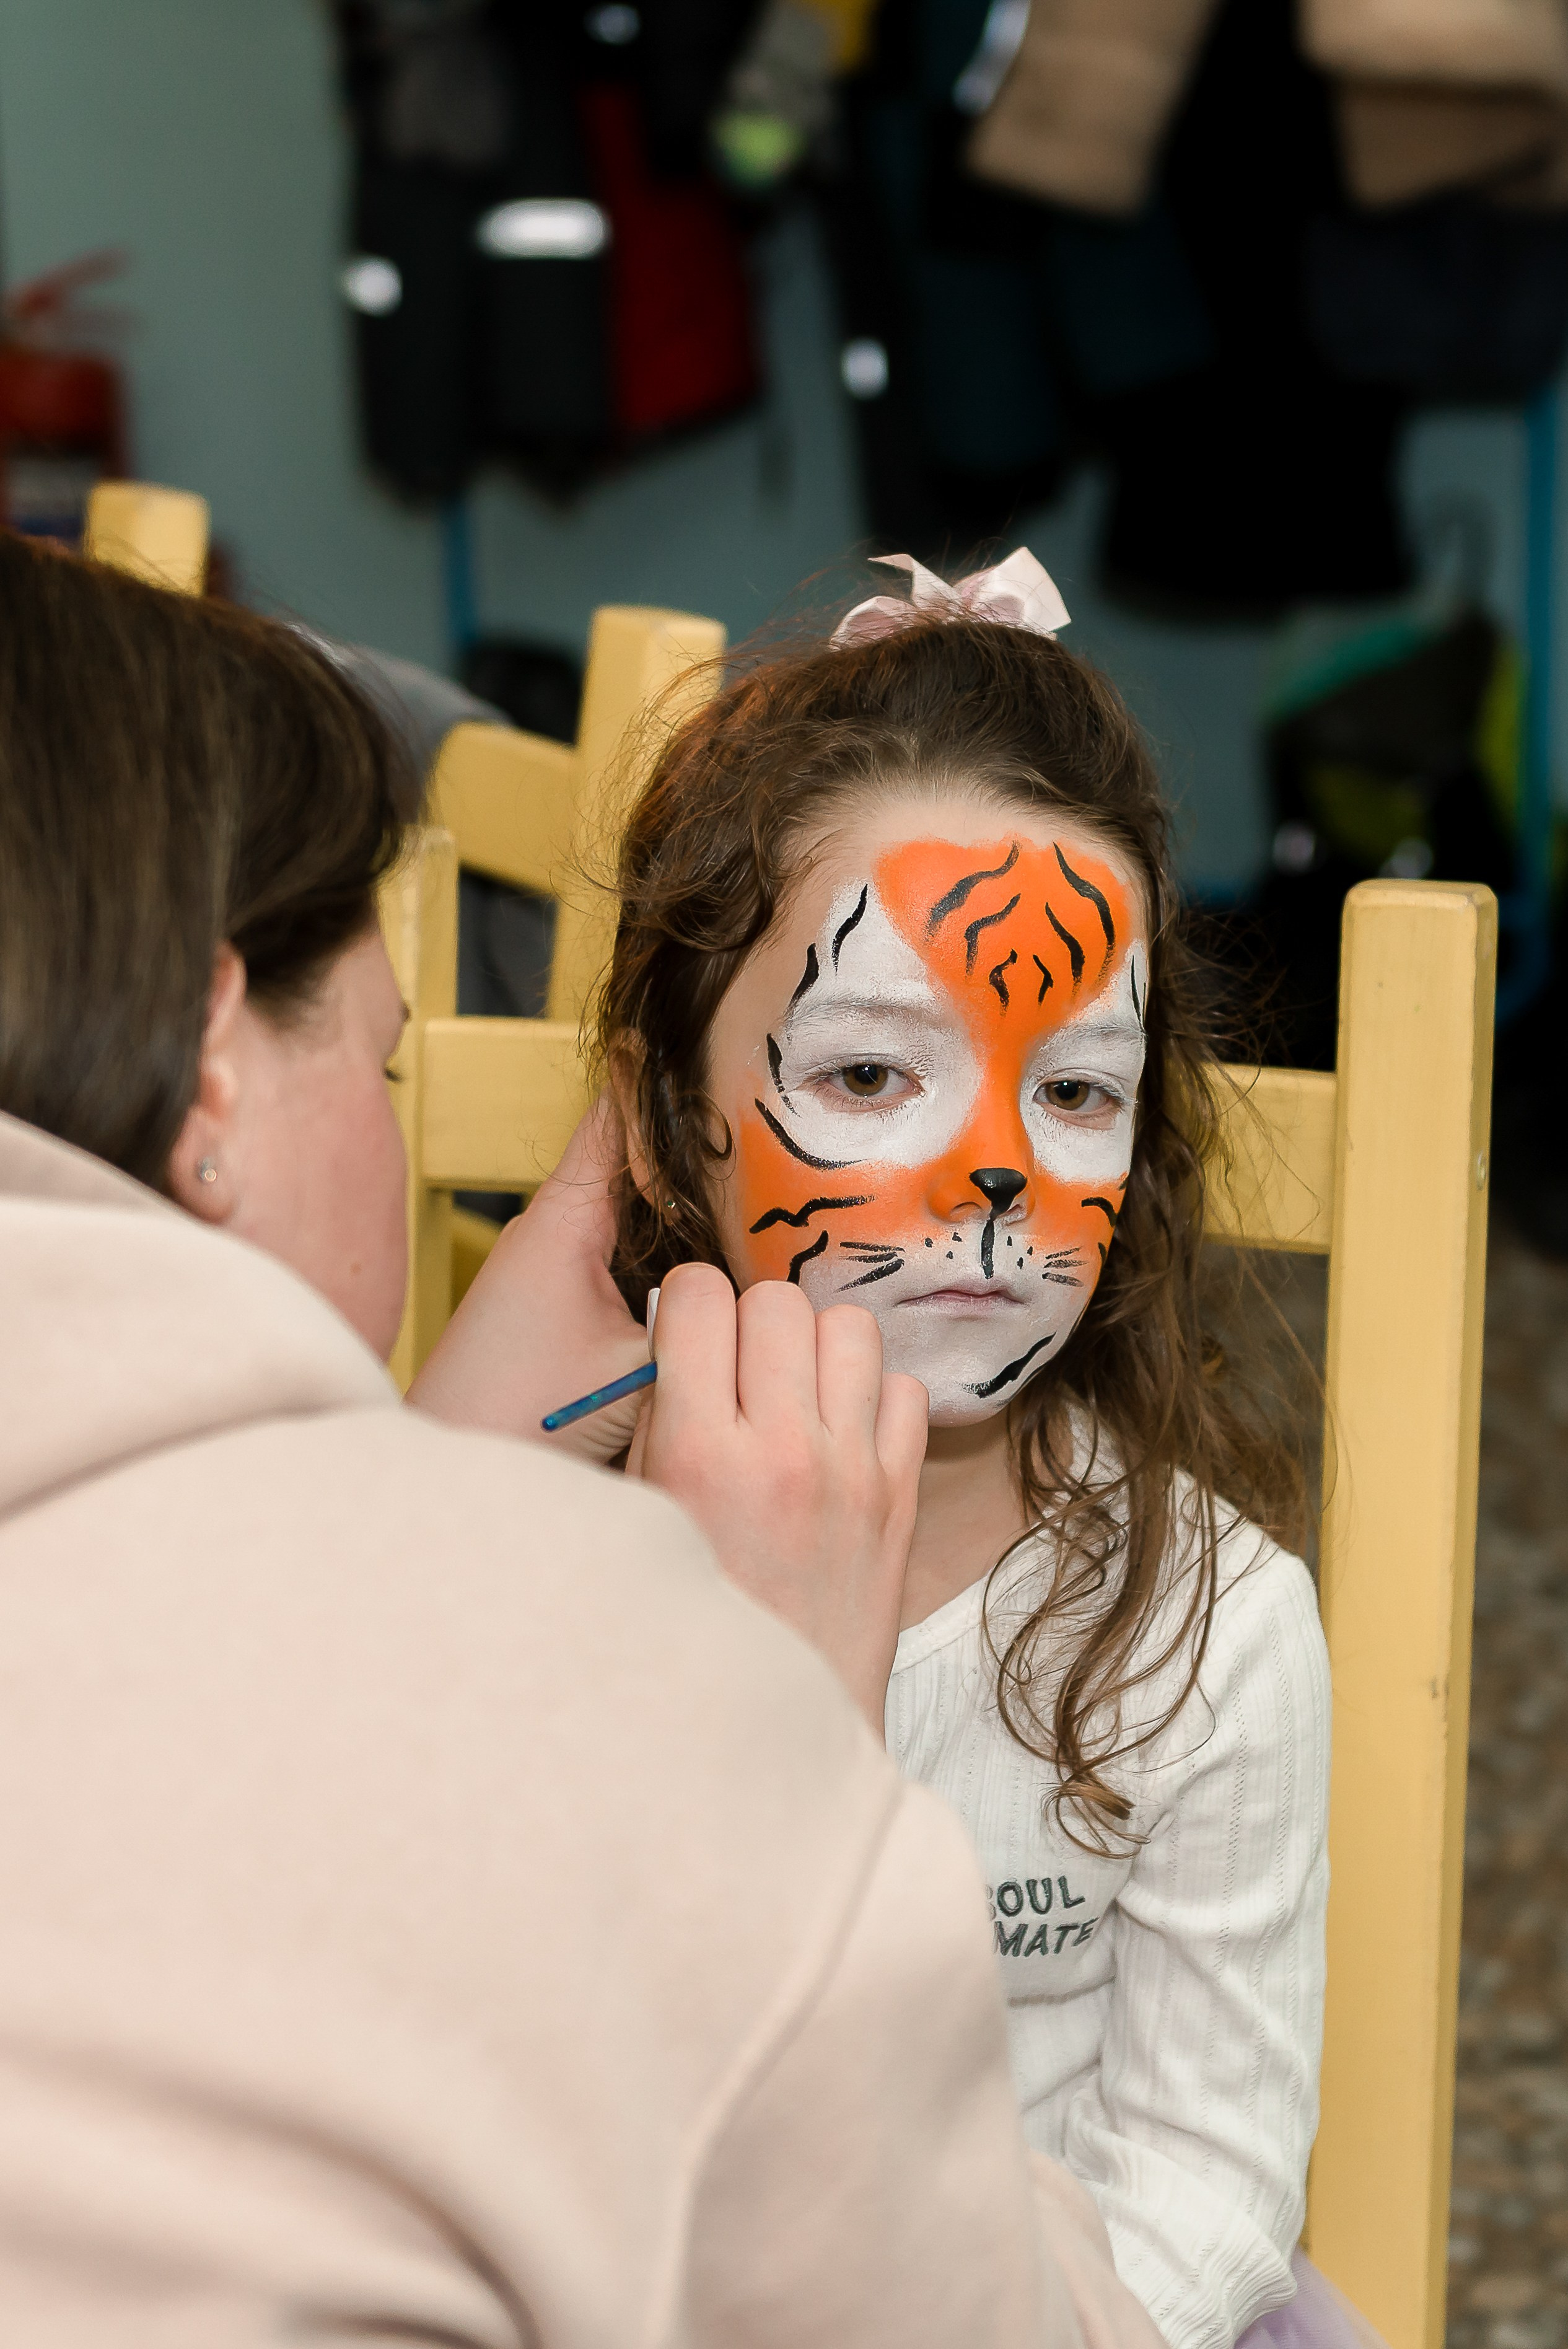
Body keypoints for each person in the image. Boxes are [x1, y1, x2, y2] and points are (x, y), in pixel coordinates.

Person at [0, 527, 1160, 2348]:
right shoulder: (599, 1716)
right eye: (384, 1069)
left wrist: (419, 1483)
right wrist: (754, 1752)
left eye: (1079, 1087)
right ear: (213, 1064)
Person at [438, 551, 1347, 2349]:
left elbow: (1205, 2184)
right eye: (866, 1076)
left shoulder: (1203, 1631)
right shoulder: (531, 1544)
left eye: (1074, 1091)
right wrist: (454, 1485)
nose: (988, 1181)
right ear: (667, 1122)